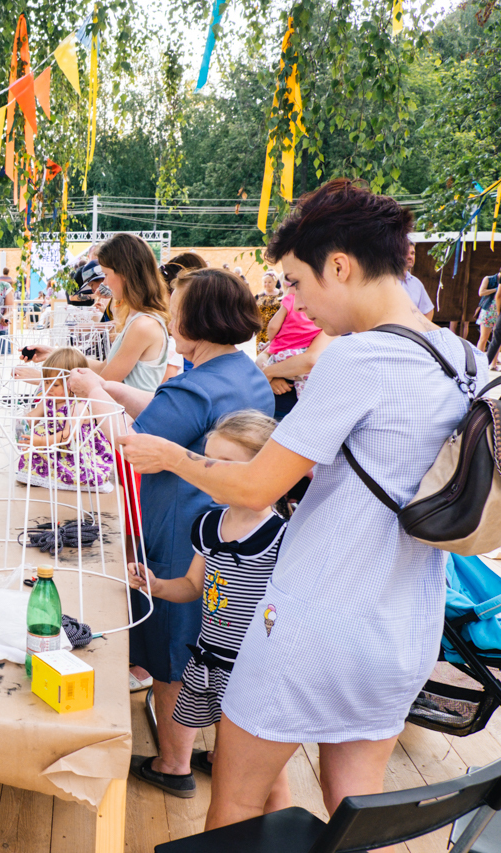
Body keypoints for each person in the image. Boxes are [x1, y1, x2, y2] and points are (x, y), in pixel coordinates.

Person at [117, 179, 482, 830]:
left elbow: (259, 485)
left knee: (235, 805)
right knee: (359, 810)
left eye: (294, 281)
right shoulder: (465, 358)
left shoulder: (357, 357)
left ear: (339, 264)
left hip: (315, 624)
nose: (294, 302)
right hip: (404, 627)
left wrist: (173, 456)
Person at [67, 267, 274, 799]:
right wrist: (112, 387)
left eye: (177, 307)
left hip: (182, 524)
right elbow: (169, 420)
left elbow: (135, 445)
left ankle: (173, 762)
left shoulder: (198, 384)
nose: (170, 316)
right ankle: (214, 750)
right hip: (225, 523)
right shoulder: (242, 373)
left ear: (196, 320)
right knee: (209, 639)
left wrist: (93, 394)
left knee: (174, 642)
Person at [127, 410, 290, 811]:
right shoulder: (208, 524)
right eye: (209, 459)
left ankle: (277, 832)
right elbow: (193, 586)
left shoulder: (283, 537)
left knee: (265, 778)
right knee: (232, 760)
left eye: (229, 464)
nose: (213, 471)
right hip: (209, 659)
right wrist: (157, 585)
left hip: (251, 671)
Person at [16, 347, 115, 492]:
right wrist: (22, 425)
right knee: (32, 454)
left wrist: (41, 441)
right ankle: (44, 473)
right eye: (46, 382)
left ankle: (69, 477)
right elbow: (32, 416)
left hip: (75, 449)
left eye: (55, 384)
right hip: (53, 444)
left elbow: (70, 435)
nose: (48, 388)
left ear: (73, 383)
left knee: (81, 470)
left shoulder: (80, 406)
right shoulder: (49, 399)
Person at [84, 233, 171, 393]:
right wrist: (60, 356)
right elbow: (105, 367)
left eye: (107, 275)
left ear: (124, 274)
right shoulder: (138, 318)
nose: (105, 282)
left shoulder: (143, 325)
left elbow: (103, 384)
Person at [257, 292, 332, 419]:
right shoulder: (294, 334)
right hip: (277, 407)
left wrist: (270, 372)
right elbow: (262, 356)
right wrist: (272, 376)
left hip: (295, 412)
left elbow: (309, 360)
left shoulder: (330, 327)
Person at [400, 242, 434, 320]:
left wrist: (422, 331)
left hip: (411, 331)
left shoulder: (416, 283)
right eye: (405, 253)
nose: (410, 257)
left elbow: (428, 310)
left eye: (412, 253)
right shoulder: (386, 280)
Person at [476, 264, 499, 359]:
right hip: (488, 311)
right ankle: (478, 359)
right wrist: (496, 290)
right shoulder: (489, 279)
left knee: (497, 339)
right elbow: (481, 292)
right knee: (484, 337)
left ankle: (494, 361)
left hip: (498, 312)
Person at [255, 272, 282, 348]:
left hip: (277, 329)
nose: (267, 284)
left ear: (275, 282)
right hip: (262, 330)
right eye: (265, 282)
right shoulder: (259, 296)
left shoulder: (281, 294)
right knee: (261, 353)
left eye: (269, 282)